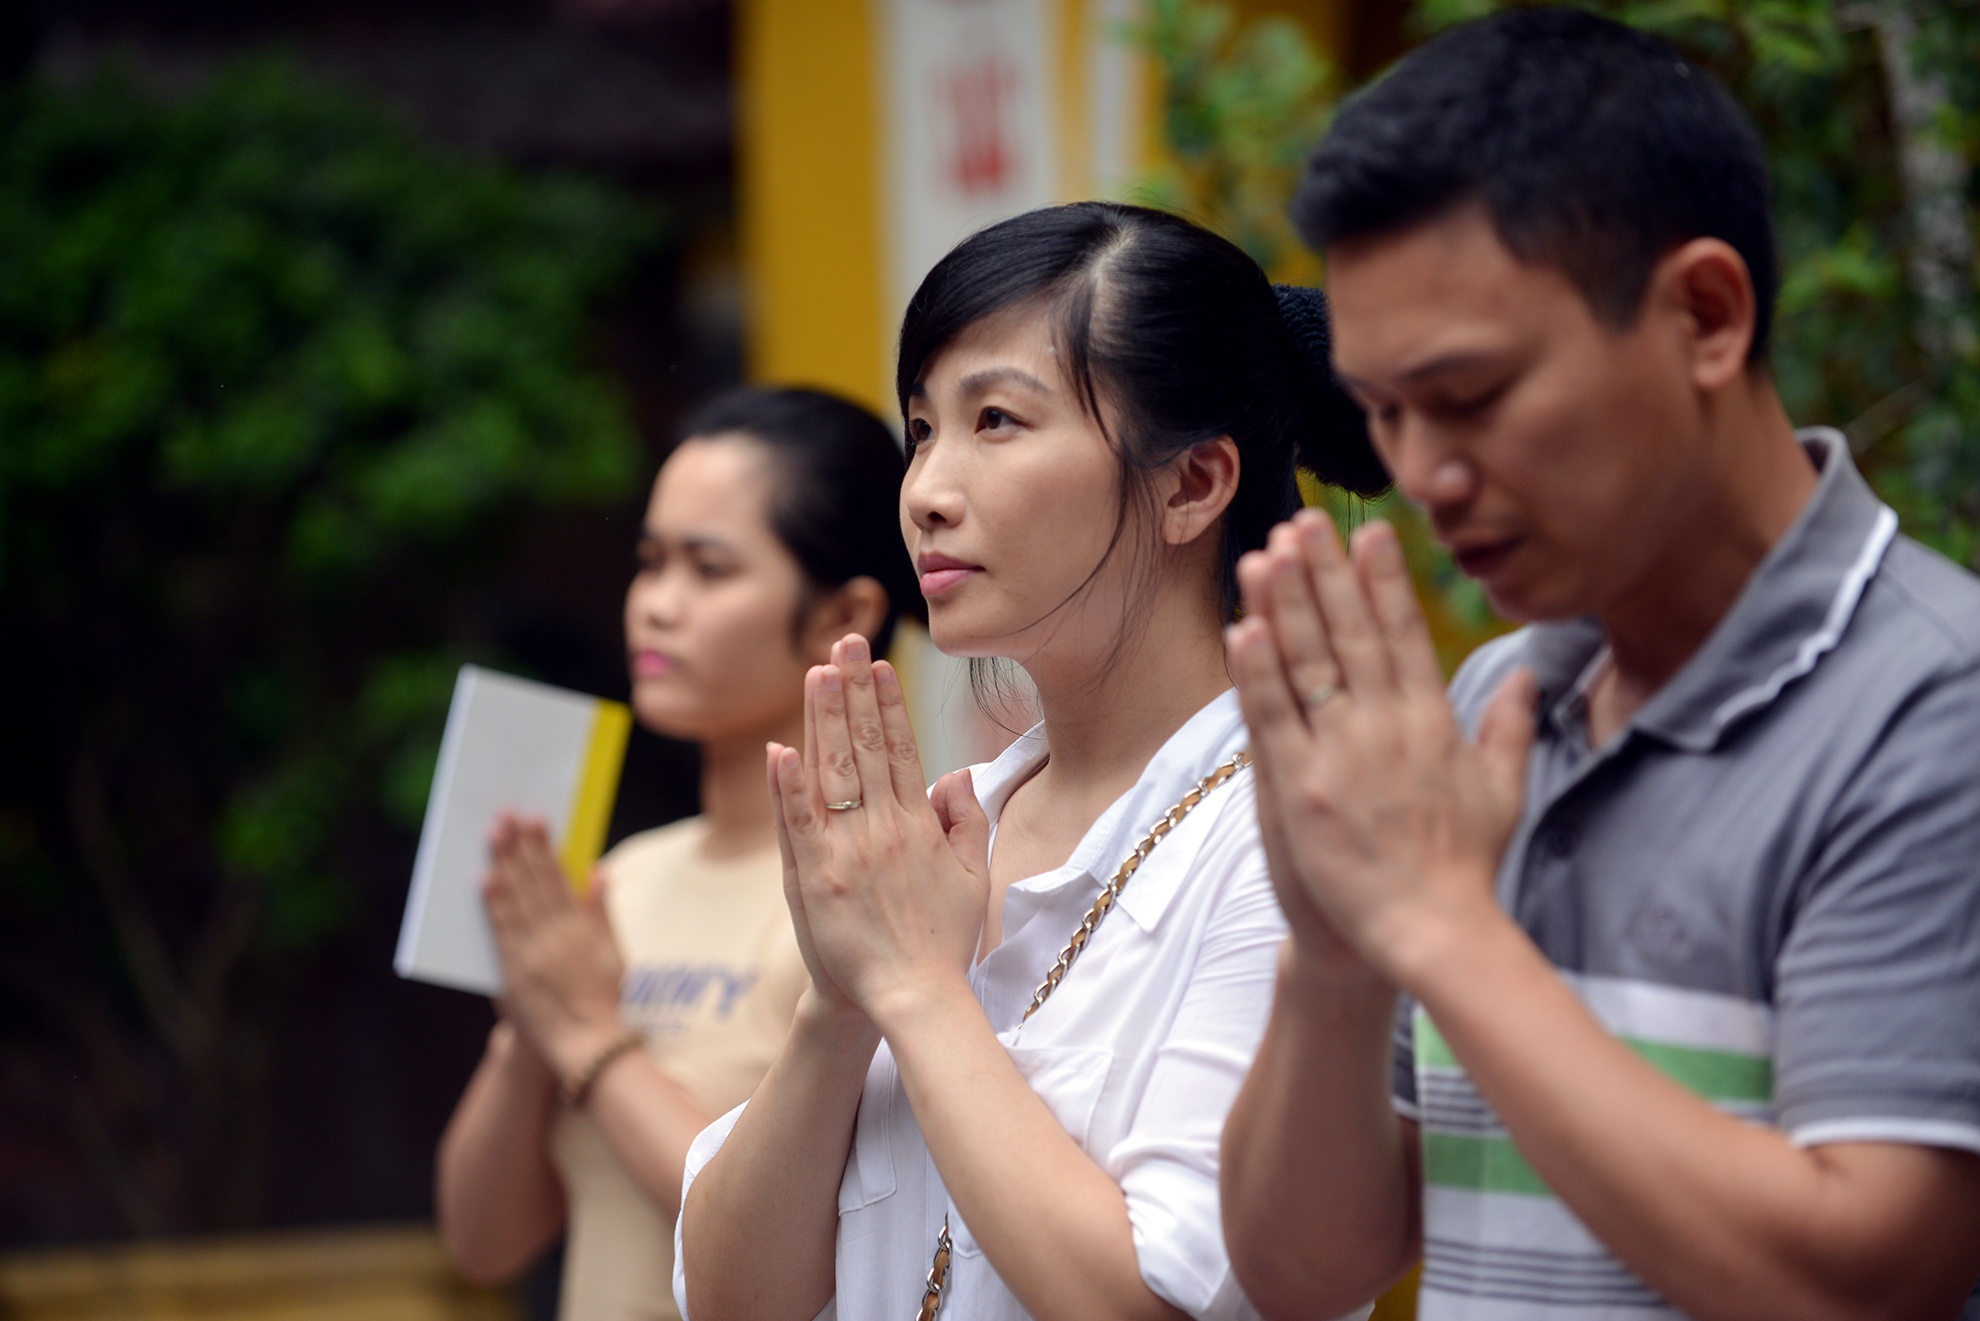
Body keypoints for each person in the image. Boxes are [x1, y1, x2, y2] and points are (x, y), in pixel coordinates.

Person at [1218, 10, 1980, 1321]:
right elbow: (1307, 1270)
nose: (1425, 478)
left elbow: (1863, 1282)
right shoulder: (1492, 705)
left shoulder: (1934, 708)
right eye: (1385, 414)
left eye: (1470, 396)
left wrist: (1436, 925)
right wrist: (1333, 957)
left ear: (1704, 315)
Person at [672, 202, 1386, 1321]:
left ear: (1193, 484)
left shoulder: (1295, 840)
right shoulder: (953, 831)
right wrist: (840, 1000)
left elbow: (1155, 1300)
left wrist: (915, 988)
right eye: (920, 431)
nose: (926, 491)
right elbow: (727, 1297)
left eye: (995, 419)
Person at [434, 387, 925, 1321]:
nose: (657, 605)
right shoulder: (617, 878)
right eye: (650, 563)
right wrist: (529, 1027)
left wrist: (590, 1038)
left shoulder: (883, 892)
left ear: (841, 612)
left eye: (708, 569)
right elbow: (483, 1241)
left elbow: (804, 1257)